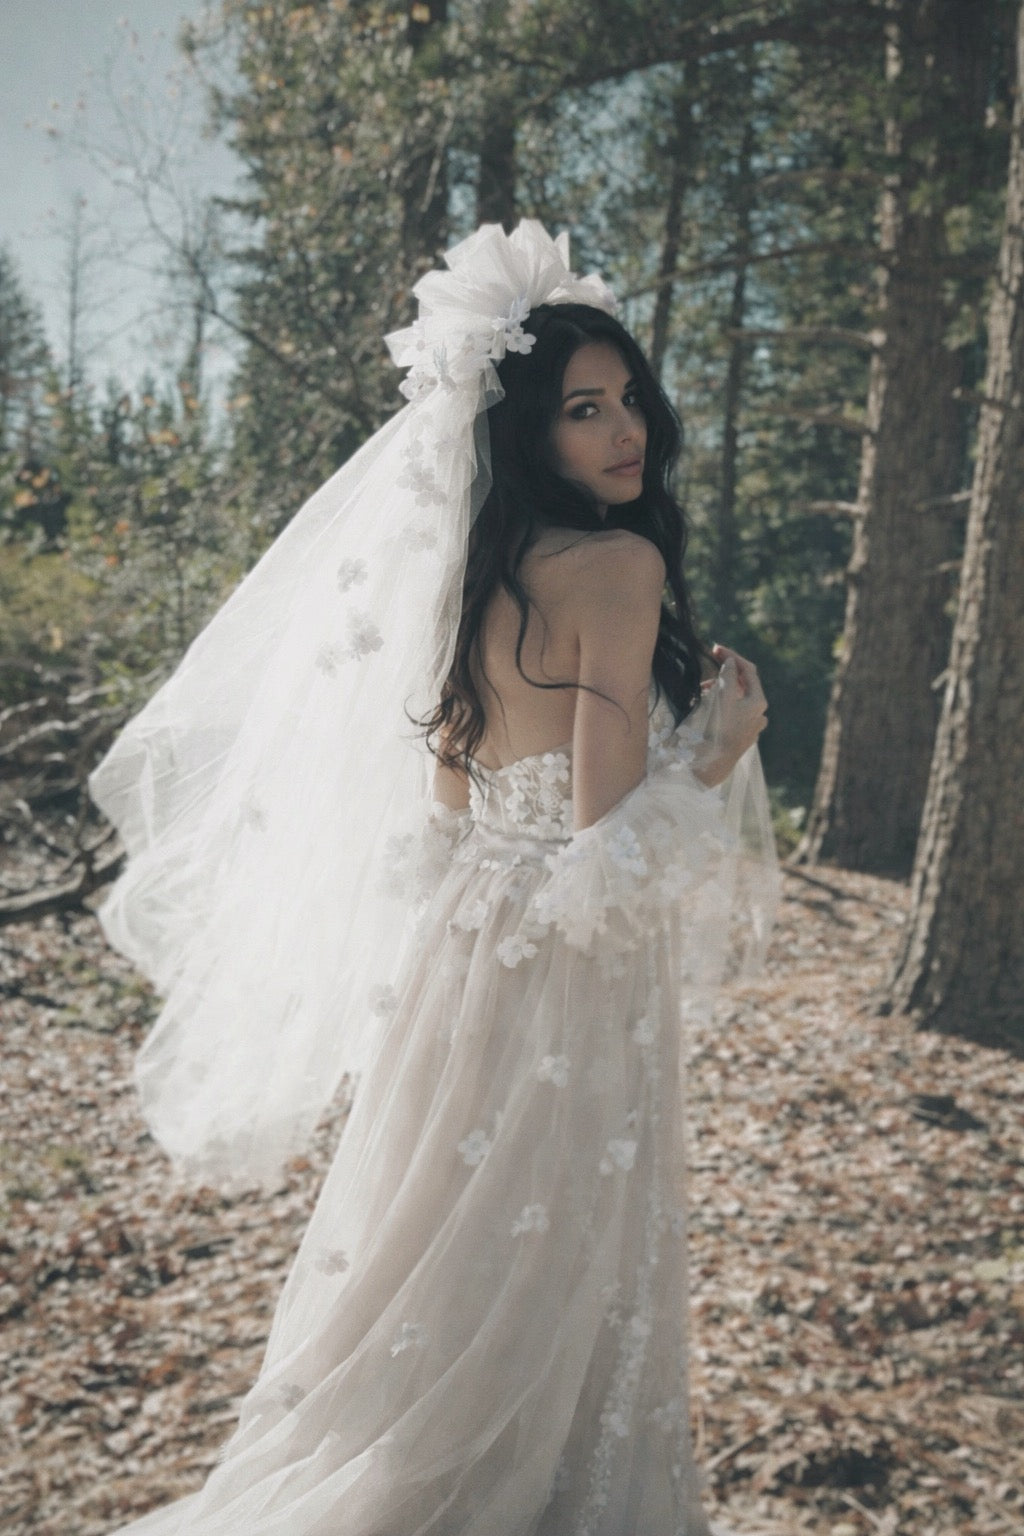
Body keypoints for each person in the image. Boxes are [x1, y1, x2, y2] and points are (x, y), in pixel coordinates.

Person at [89, 220, 778, 1535]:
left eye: (630, 398)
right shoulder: (619, 569)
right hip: (565, 975)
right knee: (545, 1259)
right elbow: (605, 861)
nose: (626, 428)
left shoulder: (467, 577)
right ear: (525, 428)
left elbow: (451, 809)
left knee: (436, 1259)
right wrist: (717, 754)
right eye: (585, 409)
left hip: (458, 951)